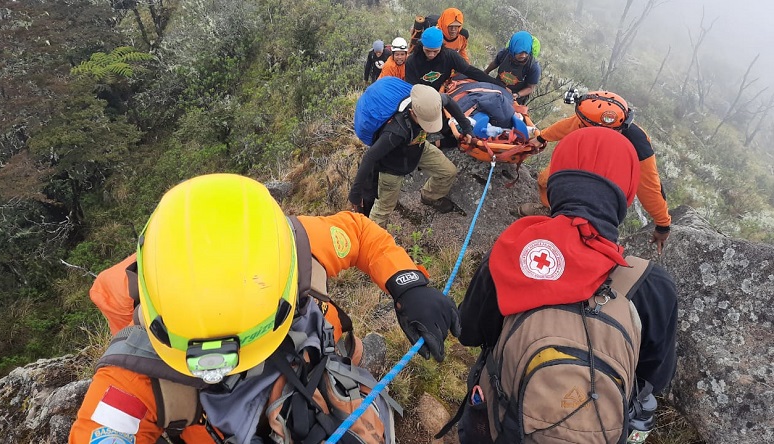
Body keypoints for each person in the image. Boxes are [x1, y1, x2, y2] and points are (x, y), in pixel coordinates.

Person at [69, 174, 461, 443]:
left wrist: (408, 285)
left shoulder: (284, 245)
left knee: (348, 360)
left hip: (321, 359)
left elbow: (359, 234)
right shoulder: (130, 379)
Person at [458, 127, 678, 442]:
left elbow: (469, 332)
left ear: (557, 181)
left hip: (497, 426)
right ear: (626, 193)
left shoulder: (515, 249)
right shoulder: (652, 286)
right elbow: (654, 379)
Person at [523, 90, 672, 253]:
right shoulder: (586, 122)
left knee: (592, 208)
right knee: (546, 180)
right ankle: (549, 210)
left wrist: (663, 224)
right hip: (585, 158)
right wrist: (541, 138)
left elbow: (650, 187)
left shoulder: (637, 144)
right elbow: (566, 126)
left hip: (610, 177)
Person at [349, 84, 474, 227]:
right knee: (384, 209)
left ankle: (429, 197)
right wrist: (355, 194)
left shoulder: (430, 103)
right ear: (412, 112)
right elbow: (370, 157)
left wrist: (467, 129)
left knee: (448, 172)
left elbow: (449, 101)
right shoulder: (396, 132)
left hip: (418, 146)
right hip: (391, 167)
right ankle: (371, 241)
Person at [405, 27, 506, 93]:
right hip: (422, 93)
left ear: (441, 46)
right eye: (427, 51)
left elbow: (470, 71)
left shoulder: (449, 56)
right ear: (422, 45)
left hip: (443, 90)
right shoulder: (412, 61)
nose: (431, 55)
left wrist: (498, 84)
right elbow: (412, 88)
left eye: (435, 51)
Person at [484, 30, 541, 105]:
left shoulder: (533, 66)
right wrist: (484, 74)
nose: (523, 56)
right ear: (513, 48)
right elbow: (495, 63)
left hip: (514, 99)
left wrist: (517, 95)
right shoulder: (504, 54)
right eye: (520, 52)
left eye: (526, 52)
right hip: (497, 88)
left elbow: (530, 88)